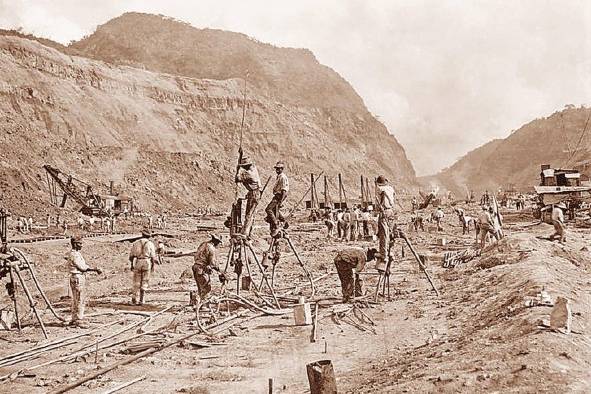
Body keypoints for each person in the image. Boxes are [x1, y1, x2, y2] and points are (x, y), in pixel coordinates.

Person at [67, 235, 102, 327]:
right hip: (77, 277)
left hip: (77, 277)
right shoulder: (74, 255)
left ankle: (75, 318)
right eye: (80, 244)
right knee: (79, 299)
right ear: (75, 244)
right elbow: (82, 268)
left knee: (76, 298)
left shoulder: (76, 253)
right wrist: (95, 269)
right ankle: (78, 319)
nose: (81, 245)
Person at [191, 234, 226, 302]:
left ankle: (198, 303)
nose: (219, 245)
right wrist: (220, 271)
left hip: (195, 267)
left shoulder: (203, 244)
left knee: (200, 288)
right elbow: (213, 263)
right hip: (201, 269)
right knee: (206, 288)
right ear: (216, 242)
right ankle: (204, 305)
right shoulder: (211, 249)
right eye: (219, 243)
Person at [235, 153, 262, 236]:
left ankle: (246, 233)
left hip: (254, 194)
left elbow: (237, 178)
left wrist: (238, 169)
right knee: (251, 213)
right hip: (254, 193)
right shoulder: (254, 168)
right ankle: (248, 232)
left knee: (249, 214)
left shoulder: (249, 174)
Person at [129, 229, 158, 305]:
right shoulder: (150, 244)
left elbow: (131, 256)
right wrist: (152, 266)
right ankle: (142, 300)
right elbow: (153, 257)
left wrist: (132, 265)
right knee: (145, 280)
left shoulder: (136, 243)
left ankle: (134, 299)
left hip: (138, 261)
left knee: (136, 281)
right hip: (147, 261)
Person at [375, 175, 397, 271]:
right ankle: (389, 251)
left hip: (384, 212)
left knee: (383, 234)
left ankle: (384, 255)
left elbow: (378, 196)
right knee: (390, 233)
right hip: (391, 211)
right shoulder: (390, 188)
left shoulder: (379, 188)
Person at [265, 161, 289, 237]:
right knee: (275, 210)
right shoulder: (279, 176)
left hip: (280, 195)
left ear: (282, 169)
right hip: (277, 195)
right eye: (276, 169)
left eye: (279, 169)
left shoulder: (283, 177)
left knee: (268, 209)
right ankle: (284, 221)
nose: (277, 170)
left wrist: (281, 201)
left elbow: (284, 190)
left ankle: (275, 224)